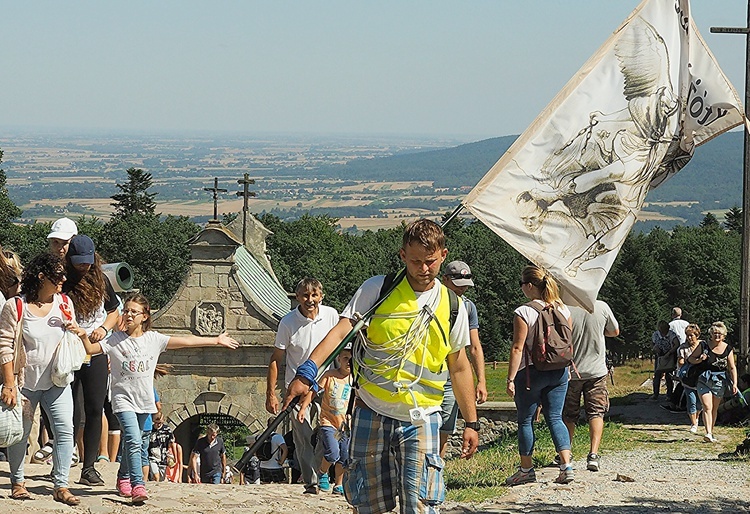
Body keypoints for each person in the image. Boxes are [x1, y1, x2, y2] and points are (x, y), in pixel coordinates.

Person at [284, 218, 479, 514]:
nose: (423, 269)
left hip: (422, 417)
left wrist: (471, 422)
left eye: (430, 262)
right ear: (402, 255)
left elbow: (460, 365)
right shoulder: (378, 290)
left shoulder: (452, 306)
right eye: (415, 261)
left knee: (421, 506)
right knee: (366, 505)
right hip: (371, 411)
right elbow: (341, 331)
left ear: (443, 255)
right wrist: (307, 372)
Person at [72, 292, 240, 503]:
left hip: (144, 400)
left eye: (134, 312)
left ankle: (122, 476)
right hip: (123, 399)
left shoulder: (154, 339)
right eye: (126, 311)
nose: (129, 315)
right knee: (133, 438)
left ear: (145, 316)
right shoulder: (115, 340)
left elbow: (186, 341)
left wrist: (216, 340)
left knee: (138, 441)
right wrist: (82, 335)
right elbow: (90, 349)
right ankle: (138, 485)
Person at [0, 253, 80, 505]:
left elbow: (75, 337)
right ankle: (18, 481)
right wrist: (9, 383)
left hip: (57, 381)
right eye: (58, 275)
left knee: (65, 429)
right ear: (41, 276)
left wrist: (76, 331)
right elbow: (4, 346)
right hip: (24, 382)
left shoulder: (65, 303)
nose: (63, 279)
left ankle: (61, 484)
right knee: (19, 433)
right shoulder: (16, 306)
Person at [266, 277, 339, 494]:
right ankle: (312, 481)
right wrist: (271, 393)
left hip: (326, 384)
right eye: (305, 295)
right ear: (297, 297)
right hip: (297, 389)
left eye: (314, 295)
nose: (310, 300)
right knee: (304, 435)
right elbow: (275, 359)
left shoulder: (332, 315)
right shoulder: (288, 323)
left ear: (321, 296)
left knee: (329, 432)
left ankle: (322, 471)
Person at [505, 264, 574, 486]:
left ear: (530, 286)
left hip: (531, 373)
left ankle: (526, 470)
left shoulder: (523, 312)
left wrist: (510, 379)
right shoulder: (564, 310)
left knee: (525, 420)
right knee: (555, 417)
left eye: (522, 284)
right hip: (559, 371)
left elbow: (517, 347)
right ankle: (566, 467)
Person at [63, 235, 120, 487]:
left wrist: (104, 330)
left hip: (95, 350)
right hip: (69, 348)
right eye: (78, 262)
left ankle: (89, 467)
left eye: (87, 262)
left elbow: (113, 311)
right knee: (70, 411)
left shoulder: (101, 280)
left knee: (96, 407)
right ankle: (64, 461)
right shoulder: (62, 281)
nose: (83, 266)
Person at [562, 300, 619, 472]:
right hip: (596, 371)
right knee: (596, 412)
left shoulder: (565, 307)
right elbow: (614, 331)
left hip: (572, 371)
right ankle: (593, 454)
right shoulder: (601, 306)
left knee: (569, 414)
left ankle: (566, 452)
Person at [439, 260, 487, 457]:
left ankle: (436, 473)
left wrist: (481, 380)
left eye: (466, 285)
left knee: (443, 432)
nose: (463, 289)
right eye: (458, 285)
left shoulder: (468, 307)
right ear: (445, 280)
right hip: (431, 375)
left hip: (452, 379)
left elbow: (474, 346)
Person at [298, 345, 353, 495]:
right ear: (339, 359)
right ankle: (322, 472)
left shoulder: (354, 379)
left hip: (344, 426)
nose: (349, 362)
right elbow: (314, 391)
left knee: (344, 455)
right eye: (345, 358)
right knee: (332, 452)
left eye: (351, 359)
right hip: (328, 422)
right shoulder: (330, 375)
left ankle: (338, 484)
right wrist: (303, 408)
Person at [687, 321, 738, 443]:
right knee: (707, 406)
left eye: (719, 334)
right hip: (704, 379)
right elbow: (690, 359)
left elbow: (732, 367)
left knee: (714, 408)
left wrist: (735, 383)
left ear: (724, 335)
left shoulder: (728, 349)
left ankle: (711, 431)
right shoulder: (703, 345)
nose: (717, 336)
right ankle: (708, 433)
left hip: (719, 381)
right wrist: (699, 360)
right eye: (715, 333)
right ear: (711, 334)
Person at [675, 324, 703, 432]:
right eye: (687, 335)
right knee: (691, 400)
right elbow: (681, 362)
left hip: (701, 378)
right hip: (688, 378)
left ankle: (696, 417)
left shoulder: (702, 345)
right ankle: (694, 424)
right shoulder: (682, 348)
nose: (689, 338)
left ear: (697, 335)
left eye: (691, 335)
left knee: (700, 402)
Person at [651, 320, 678, 401]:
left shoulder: (671, 334)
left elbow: (676, 344)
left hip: (669, 356)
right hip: (659, 356)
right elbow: (652, 343)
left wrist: (669, 353)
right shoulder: (656, 334)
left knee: (668, 376)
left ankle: (669, 395)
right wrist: (654, 348)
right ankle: (655, 394)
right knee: (657, 375)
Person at [148, 411, 174, 481]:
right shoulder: (150, 430)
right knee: (156, 476)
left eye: (160, 423)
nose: (158, 425)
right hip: (152, 457)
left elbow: (171, 443)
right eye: (156, 423)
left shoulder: (167, 430)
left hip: (163, 457)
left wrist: (171, 456)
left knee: (161, 479)